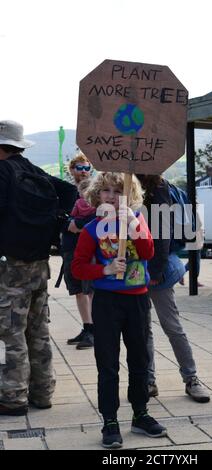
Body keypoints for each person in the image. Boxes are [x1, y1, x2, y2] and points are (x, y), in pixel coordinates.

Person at [71, 172, 167, 449]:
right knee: (108, 364)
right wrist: (104, 268)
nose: (112, 196)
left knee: (139, 359)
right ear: (97, 195)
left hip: (137, 299)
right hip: (106, 302)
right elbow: (77, 267)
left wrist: (133, 223)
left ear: (129, 196)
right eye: (106, 191)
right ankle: (110, 420)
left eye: (118, 191)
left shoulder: (137, 222)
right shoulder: (92, 229)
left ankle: (141, 413)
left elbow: (148, 253)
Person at [0, 120, 77, 416]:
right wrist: (55, 221)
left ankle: (12, 396)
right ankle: (43, 392)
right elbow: (70, 192)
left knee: (10, 331)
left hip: (9, 267)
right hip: (39, 264)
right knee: (38, 329)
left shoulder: (3, 172)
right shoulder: (32, 170)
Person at [137, 175, 210, 403]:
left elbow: (162, 232)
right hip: (134, 267)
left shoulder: (156, 186)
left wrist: (156, 272)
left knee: (170, 325)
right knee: (143, 328)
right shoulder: (129, 180)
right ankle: (149, 380)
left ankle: (190, 378)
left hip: (152, 269)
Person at [61, 154, 95, 350]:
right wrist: (69, 224)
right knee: (77, 290)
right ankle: (87, 327)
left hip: (90, 247)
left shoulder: (97, 191)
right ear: (72, 170)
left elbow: (101, 214)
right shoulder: (66, 191)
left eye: (86, 167)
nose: (83, 171)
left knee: (89, 289)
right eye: (79, 167)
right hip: (70, 247)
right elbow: (59, 217)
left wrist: (78, 224)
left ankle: (95, 330)